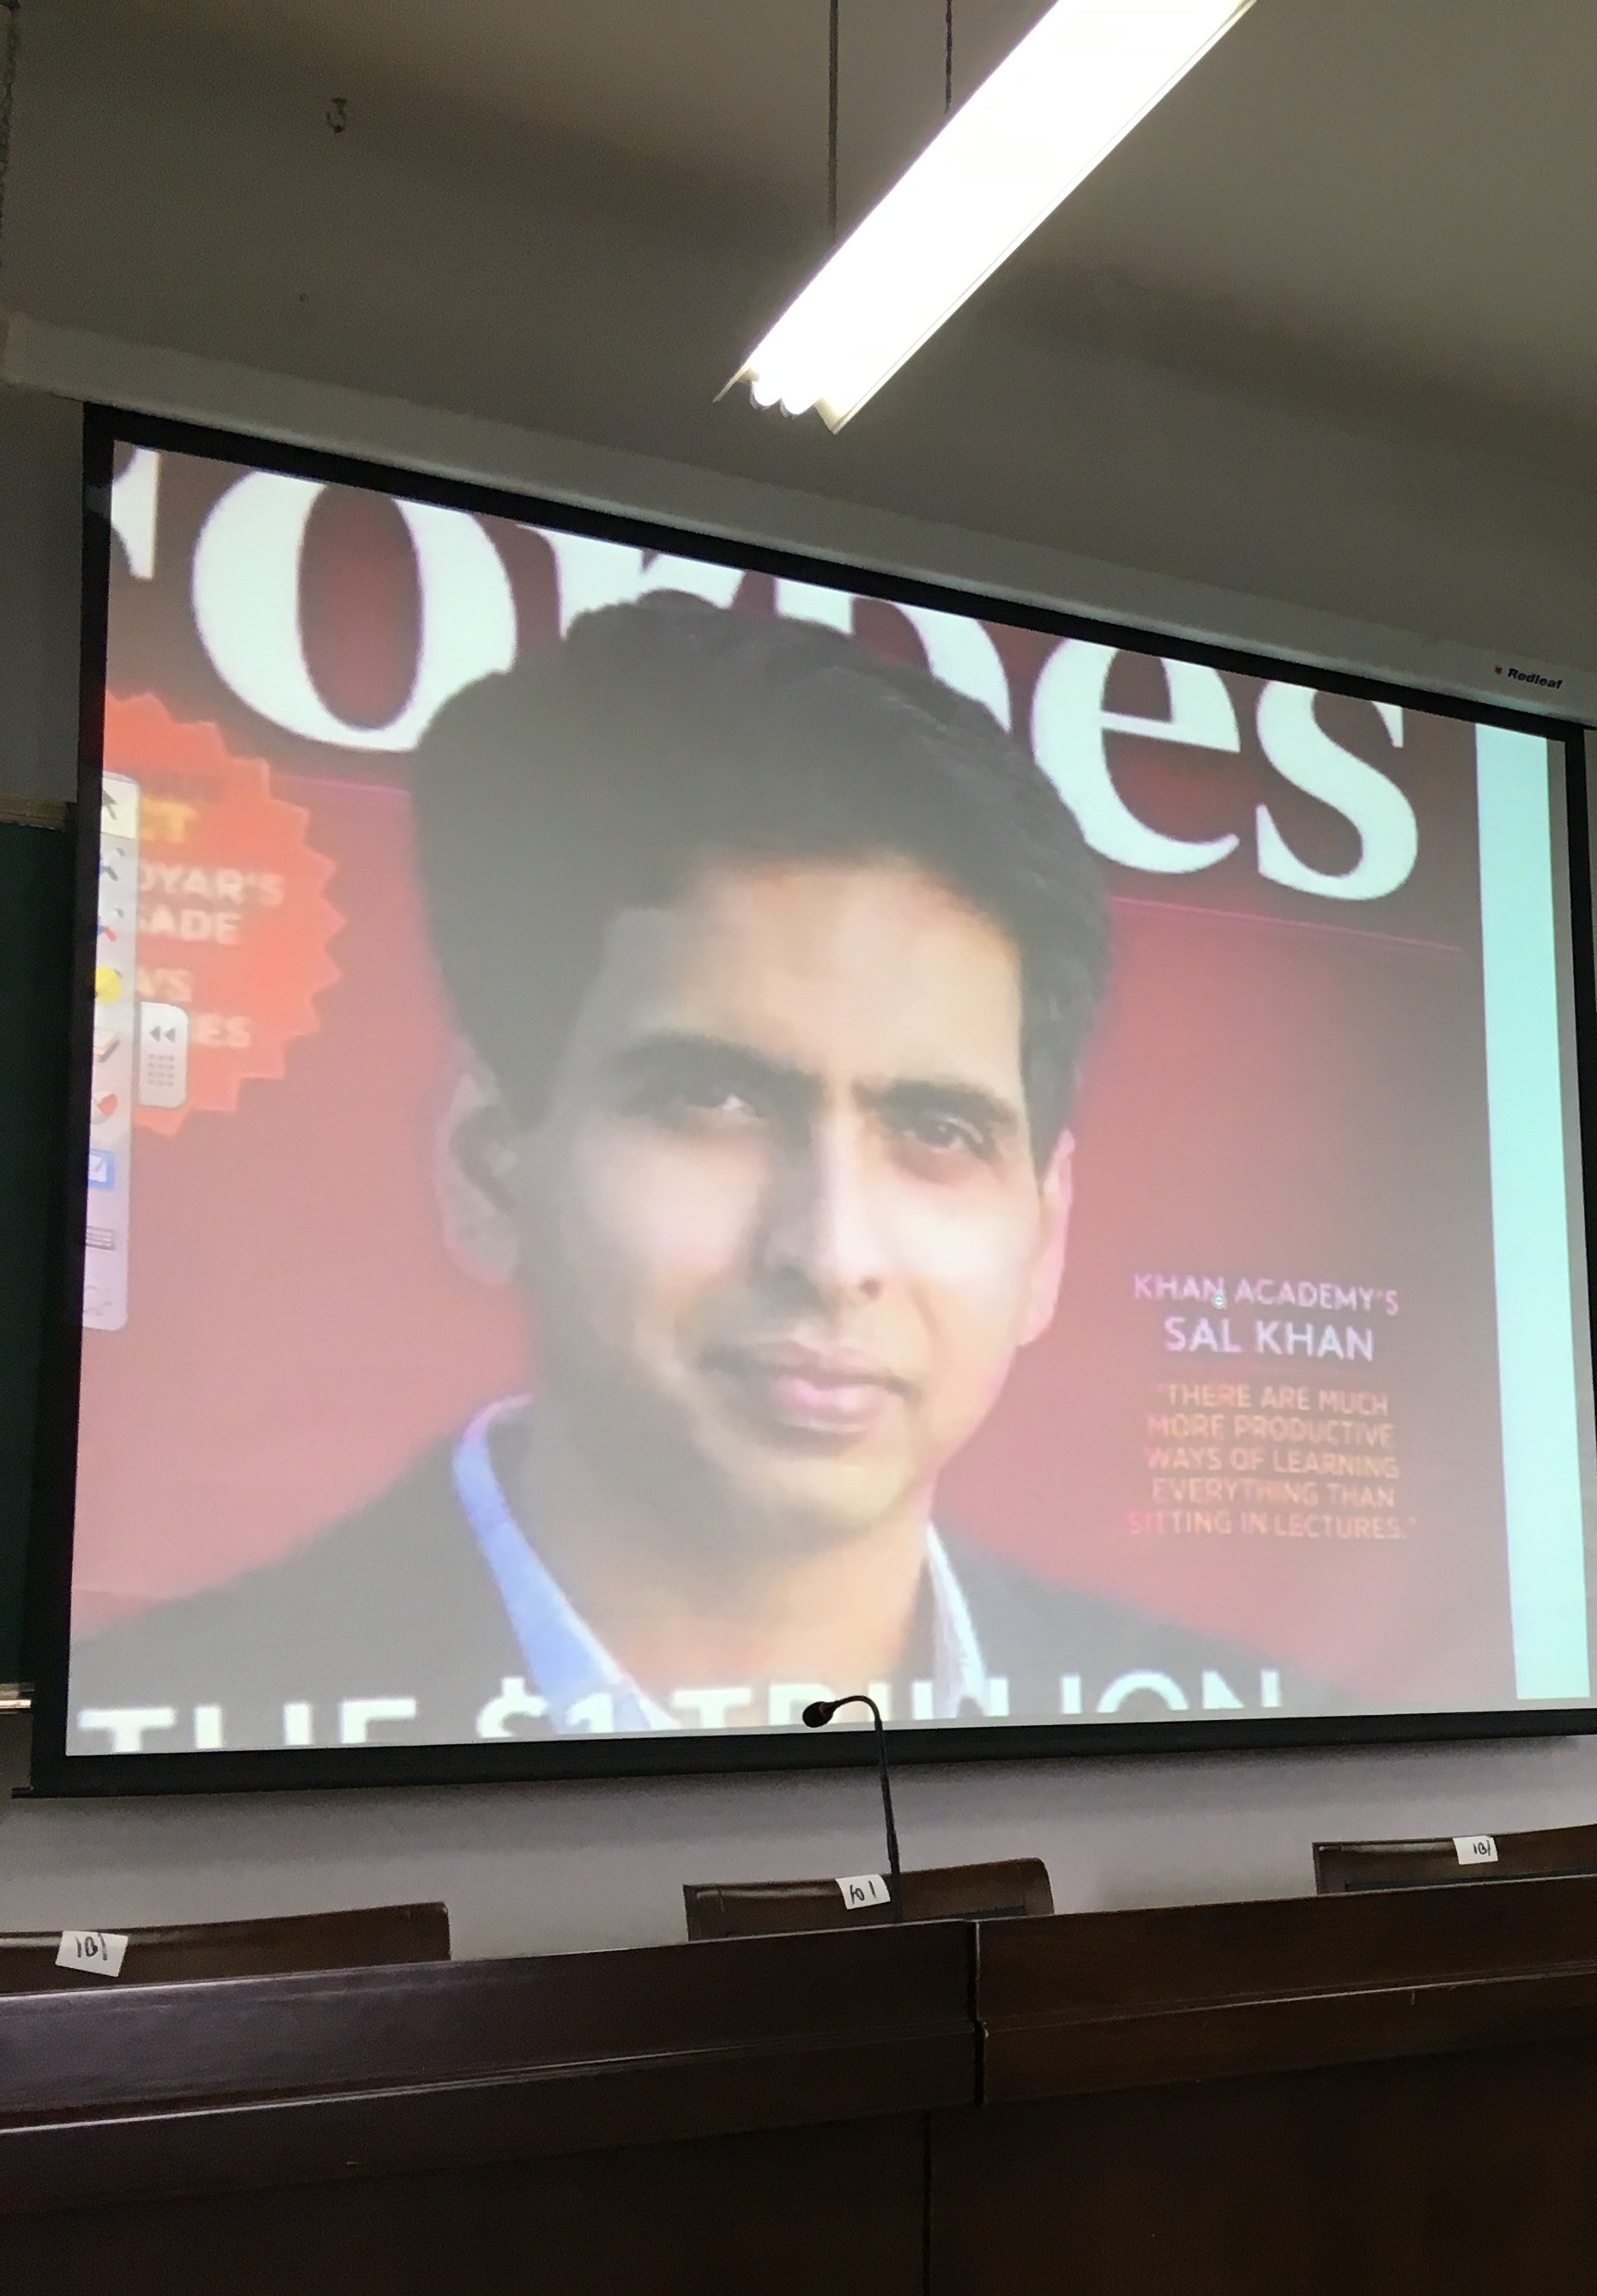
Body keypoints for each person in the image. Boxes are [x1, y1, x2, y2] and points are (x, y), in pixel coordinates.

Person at [74, 598, 1293, 1751]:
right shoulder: (173, 1713)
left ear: (1047, 1237)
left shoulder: (1236, 1719)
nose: (832, 1255)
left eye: (938, 1130)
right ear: (489, 1165)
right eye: (714, 1103)